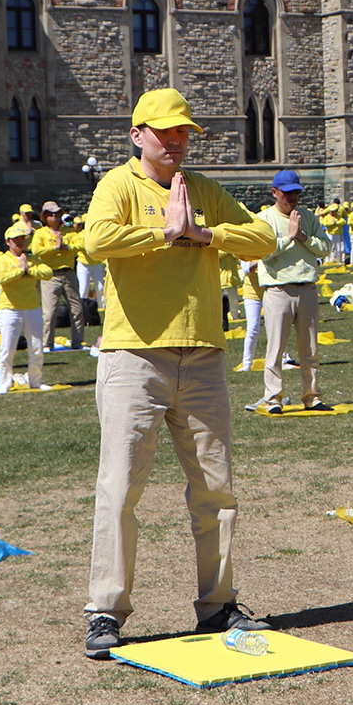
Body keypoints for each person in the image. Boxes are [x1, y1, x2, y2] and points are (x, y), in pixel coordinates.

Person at [82, 88, 277, 659]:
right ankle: (105, 609)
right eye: (164, 131)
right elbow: (96, 241)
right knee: (120, 487)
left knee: (216, 490)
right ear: (136, 135)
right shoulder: (118, 185)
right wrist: (165, 233)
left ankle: (217, 604)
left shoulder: (204, 190)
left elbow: (264, 238)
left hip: (203, 358)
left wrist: (204, 233)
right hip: (135, 357)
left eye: (183, 132)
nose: (175, 141)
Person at [253, 170, 331, 414]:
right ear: (274, 192)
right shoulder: (264, 219)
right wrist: (289, 237)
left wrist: (303, 237)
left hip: (307, 288)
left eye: (296, 192)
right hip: (278, 290)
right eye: (287, 193)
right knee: (275, 349)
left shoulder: (307, 217)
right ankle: (273, 398)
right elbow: (264, 251)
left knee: (310, 349)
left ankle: (312, 396)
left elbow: (325, 248)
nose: (292, 197)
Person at [0, 222, 53, 394]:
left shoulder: (31, 259)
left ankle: (35, 381)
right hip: (9, 309)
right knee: (7, 349)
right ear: (7, 242)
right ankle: (4, 383)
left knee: (36, 347)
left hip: (32, 308)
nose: (19, 242)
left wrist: (29, 270)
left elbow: (48, 273)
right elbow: (1, 278)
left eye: (22, 239)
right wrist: (21, 270)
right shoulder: (2, 259)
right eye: (15, 239)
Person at [31, 200, 85, 351]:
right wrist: (55, 248)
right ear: (45, 216)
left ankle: (77, 342)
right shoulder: (41, 233)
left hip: (69, 274)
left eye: (56, 213)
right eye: (50, 214)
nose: (54, 216)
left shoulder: (69, 232)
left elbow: (82, 245)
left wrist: (66, 247)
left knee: (77, 310)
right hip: (50, 275)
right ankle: (47, 344)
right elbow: (36, 250)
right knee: (49, 312)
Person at [69, 215, 106, 312]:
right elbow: (80, 246)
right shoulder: (80, 235)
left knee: (100, 286)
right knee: (83, 287)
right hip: (83, 263)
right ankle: (83, 308)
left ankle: (102, 306)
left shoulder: (96, 233)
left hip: (96, 262)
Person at [236, 258, 263, 371]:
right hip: (252, 293)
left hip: (272, 291)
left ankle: (284, 359)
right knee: (253, 328)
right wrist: (264, 259)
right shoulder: (248, 250)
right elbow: (246, 268)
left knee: (276, 328)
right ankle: (247, 363)